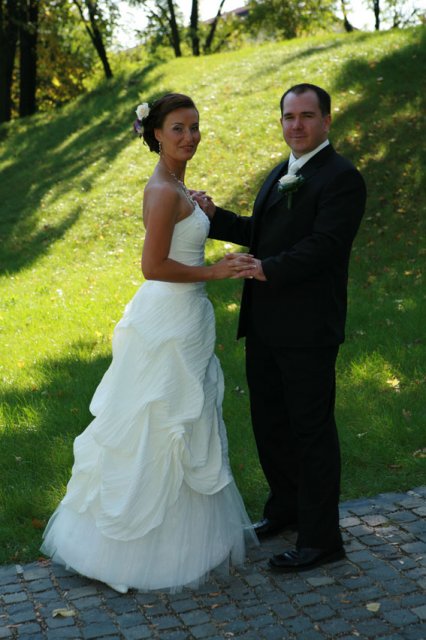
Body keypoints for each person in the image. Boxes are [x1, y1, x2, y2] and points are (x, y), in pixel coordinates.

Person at [41, 93, 257, 593]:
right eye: (178, 128)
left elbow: (180, 236)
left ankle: (186, 542)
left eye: (195, 127)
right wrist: (216, 271)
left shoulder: (176, 187)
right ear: (156, 133)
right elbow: (152, 266)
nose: (190, 137)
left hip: (186, 317)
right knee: (158, 424)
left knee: (185, 421)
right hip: (168, 319)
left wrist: (201, 209)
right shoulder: (161, 190)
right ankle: (132, 553)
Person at [198, 83, 367, 572]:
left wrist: (266, 268)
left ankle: (322, 540)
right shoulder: (281, 171)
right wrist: (214, 217)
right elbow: (262, 231)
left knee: (311, 432)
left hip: (309, 329)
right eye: (289, 117)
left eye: (307, 116)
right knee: (271, 424)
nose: (297, 125)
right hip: (266, 324)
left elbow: (326, 245)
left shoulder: (342, 177)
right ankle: (286, 509)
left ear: (327, 121)